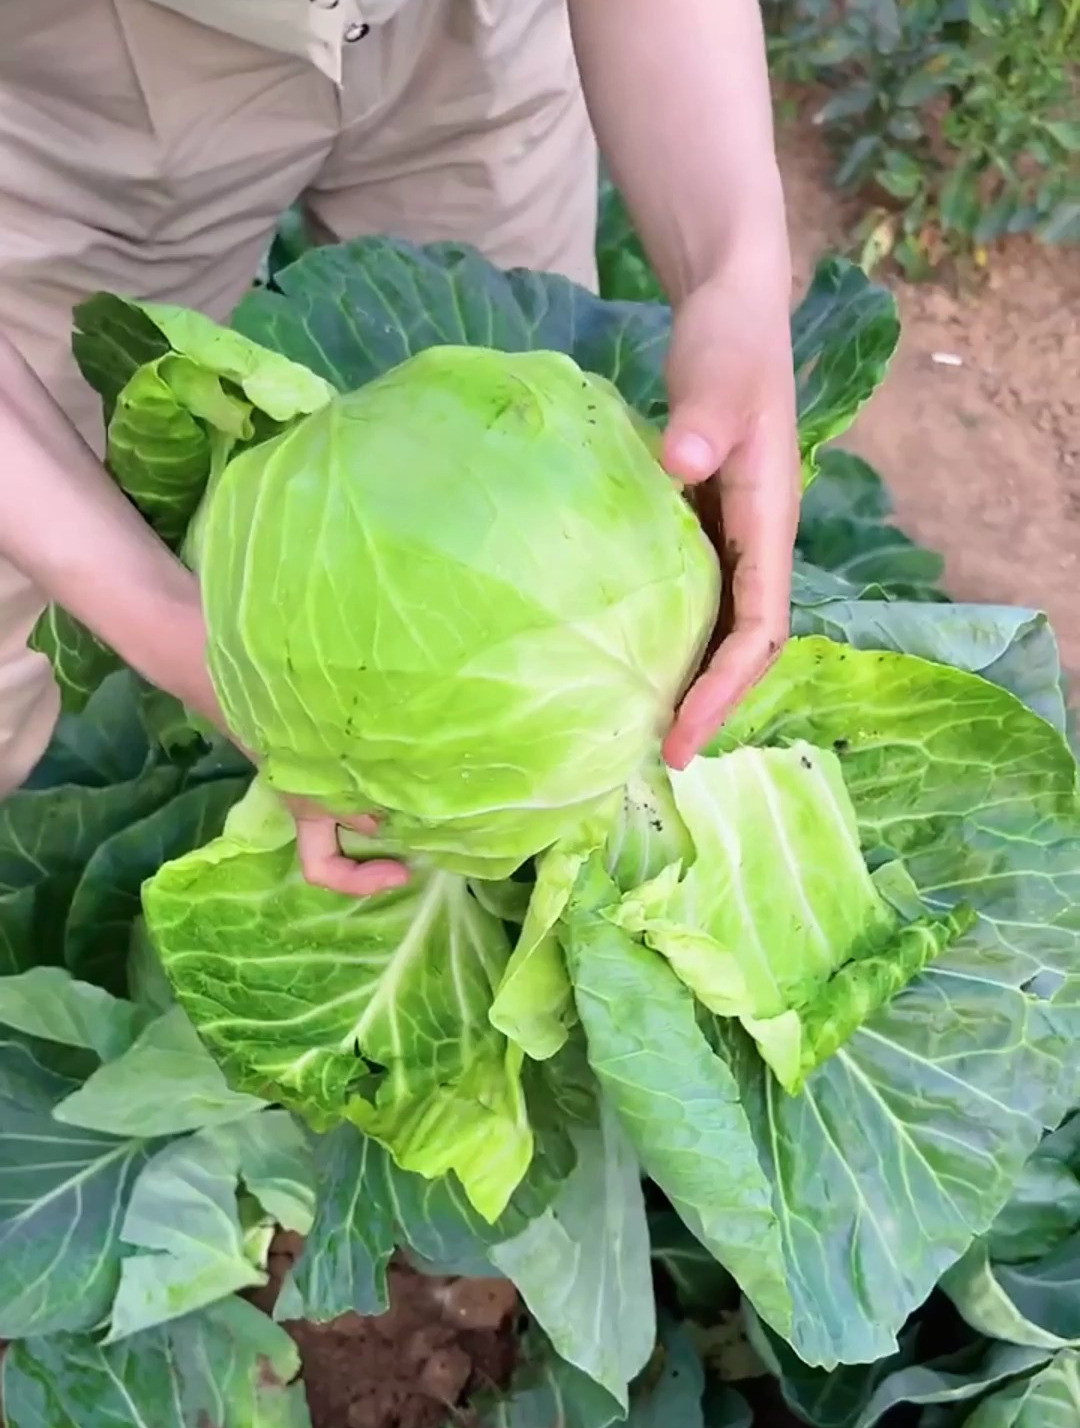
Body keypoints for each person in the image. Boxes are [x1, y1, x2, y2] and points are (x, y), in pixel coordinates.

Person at [0, 0, 799, 894]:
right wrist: (193, 640)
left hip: (467, 35)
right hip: (81, 81)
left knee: (521, 400)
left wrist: (735, 271)